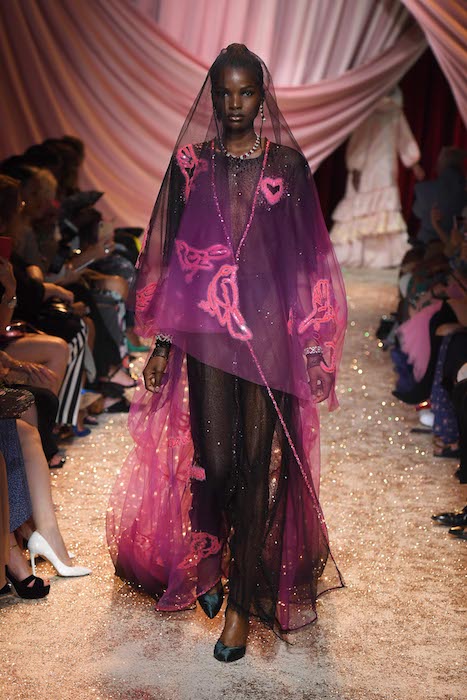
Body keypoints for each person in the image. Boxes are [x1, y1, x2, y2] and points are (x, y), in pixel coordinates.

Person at [107, 44, 347, 662]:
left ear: (261, 98)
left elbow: (307, 261)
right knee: (215, 462)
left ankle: (240, 607)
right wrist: (163, 344)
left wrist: (314, 344)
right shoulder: (191, 165)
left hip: (270, 335)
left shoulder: (287, 166)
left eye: (246, 93)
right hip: (209, 335)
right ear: (211, 98)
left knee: (257, 465)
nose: (235, 104)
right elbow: (169, 258)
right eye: (224, 93)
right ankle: (211, 554)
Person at [331, 87, 424, 268]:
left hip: (371, 166)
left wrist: (355, 165)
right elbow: (404, 140)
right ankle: (380, 257)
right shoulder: (383, 112)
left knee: (366, 208)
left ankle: (364, 255)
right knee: (377, 208)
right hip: (380, 166)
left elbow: (360, 141)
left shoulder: (381, 112)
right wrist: (414, 163)